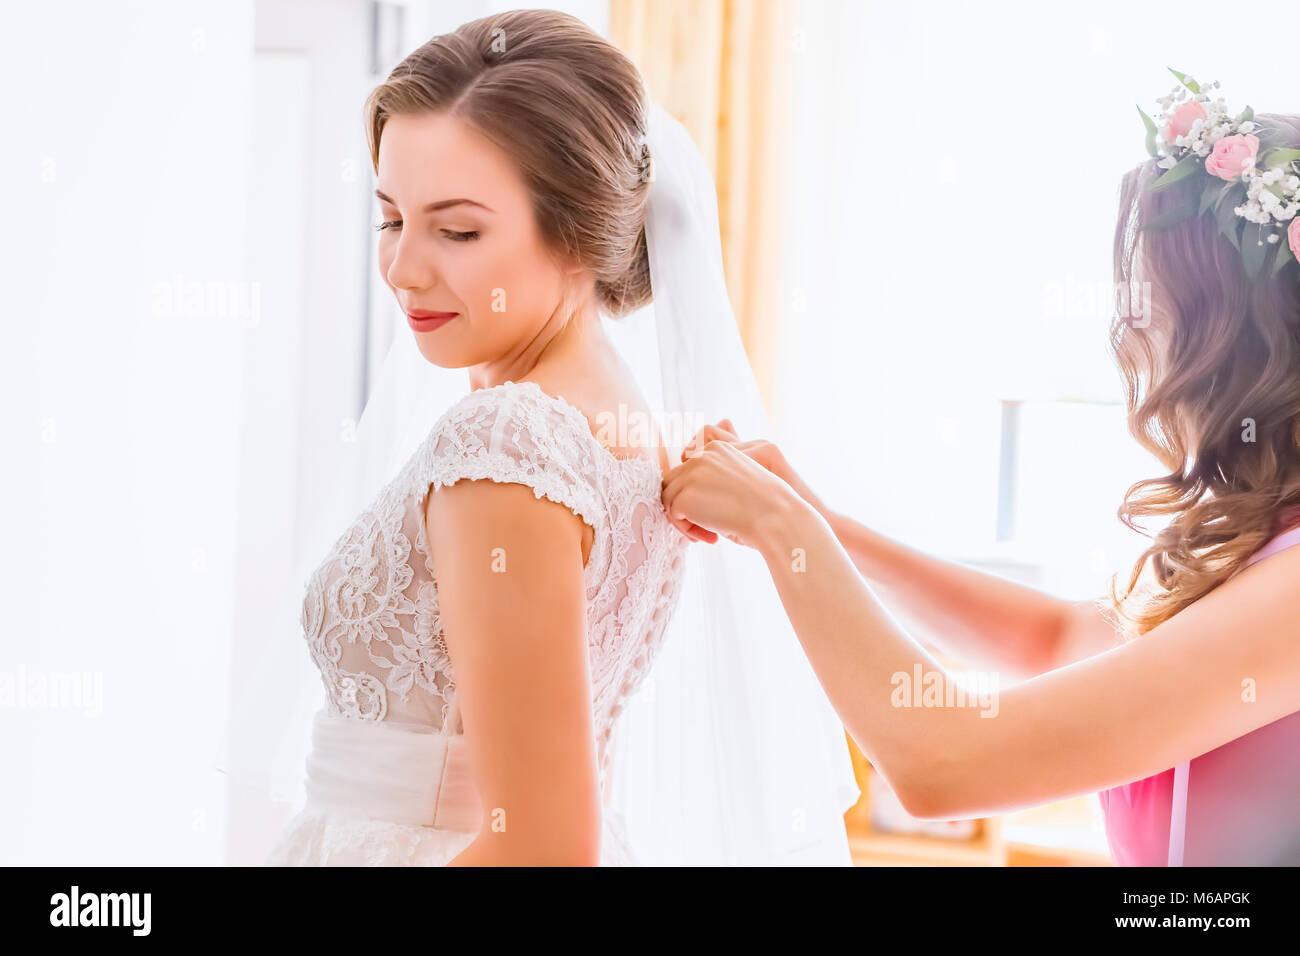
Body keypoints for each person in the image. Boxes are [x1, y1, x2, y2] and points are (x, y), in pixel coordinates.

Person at [242, 8, 858, 867]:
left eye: (457, 230)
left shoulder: (507, 445)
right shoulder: (621, 421)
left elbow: (541, 851)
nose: (404, 267)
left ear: (577, 229)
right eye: (391, 217)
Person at [661, 75, 1300, 866]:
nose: (1131, 323)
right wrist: (827, 525)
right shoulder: (1270, 544)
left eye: (1155, 297)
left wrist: (783, 532)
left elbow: (944, 762)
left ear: (1233, 332)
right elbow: (1057, 639)